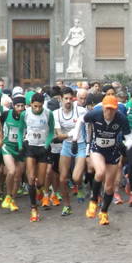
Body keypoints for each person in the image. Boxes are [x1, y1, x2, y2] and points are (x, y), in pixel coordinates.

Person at [75, 95, 130, 225]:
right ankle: (93, 201)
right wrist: (74, 139)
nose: (109, 112)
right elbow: (80, 121)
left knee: (110, 187)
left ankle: (104, 212)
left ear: (116, 109)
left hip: (113, 152)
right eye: (107, 109)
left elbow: (130, 136)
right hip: (97, 149)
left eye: (112, 109)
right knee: (100, 172)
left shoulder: (121, 118)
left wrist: (126, 145)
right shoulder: (95, 114)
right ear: (103, 108)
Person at [18, 92, 55, 222]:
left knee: (40, 181)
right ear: (31, 104)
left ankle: (41, 190)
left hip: (43, 148)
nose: (37, 109)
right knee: (31, 178)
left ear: (43, 105)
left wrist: (47, 143)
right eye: (35, 106)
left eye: (39, 106)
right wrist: (19, 143)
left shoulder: (48, 114)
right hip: (30, 147)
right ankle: (34, 208)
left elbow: (51, 131)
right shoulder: (25, 113)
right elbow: (20, 129)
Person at [55, 87, 87, 216]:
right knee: (62, 179)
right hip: (67, 146)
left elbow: (89, 126)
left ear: (73, 99)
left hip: (80, 145)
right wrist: (70, 133)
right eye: (65, 99)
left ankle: (79, 186)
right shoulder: (56, 113)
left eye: (70, 98)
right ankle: (67, 205)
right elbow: (59, 135)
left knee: (76, 177)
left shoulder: (81, 111)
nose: (68, 101)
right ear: (61, 99)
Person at [0, 96, 26, 212]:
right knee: (11, 171)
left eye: (22, 106)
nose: (20, 108)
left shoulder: (27, 116)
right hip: (8, 147)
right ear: (13, 106)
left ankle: (13, 200)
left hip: (21, 149)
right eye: (17, 106)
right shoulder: (6, 114)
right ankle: (8, 195)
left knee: (17, 178)